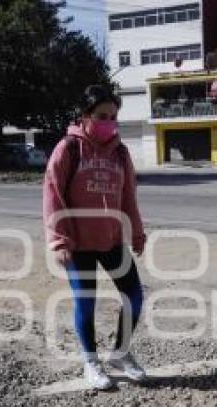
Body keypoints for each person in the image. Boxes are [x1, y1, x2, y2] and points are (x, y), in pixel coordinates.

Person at [43, 85, 147, 390]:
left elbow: (129, 196)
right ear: (85, 115)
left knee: (135, 297)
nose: (109, 122)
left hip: (112, 240)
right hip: (78, 245)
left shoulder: (120, 152)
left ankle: (121, 353)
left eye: (114, 117)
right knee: (86, 303)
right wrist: (59, 240)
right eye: (102, 116)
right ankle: (91, 362)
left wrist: (136, 233)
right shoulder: (69, 148)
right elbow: (52, 194)